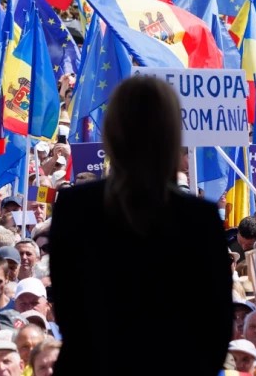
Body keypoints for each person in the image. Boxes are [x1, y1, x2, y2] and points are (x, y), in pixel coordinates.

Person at [49, 77, 232, 374]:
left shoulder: (75, 207)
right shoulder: (198, 217)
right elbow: (217, 325)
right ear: (172, 136)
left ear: (112, 132)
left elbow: (68, 310)